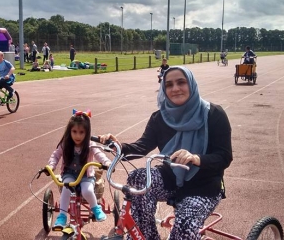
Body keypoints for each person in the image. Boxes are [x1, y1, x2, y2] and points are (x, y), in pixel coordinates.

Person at [98, 66, 232, 240]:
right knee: (138, 178)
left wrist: (196, 158)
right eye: (169, 85)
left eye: (181, 82)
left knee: (184, 226)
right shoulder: (160, 117)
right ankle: (147, 236)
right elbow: (142, 146)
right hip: (171, 179)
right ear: (164, 89)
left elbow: (224, 156)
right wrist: (117, 146)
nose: (175, 88)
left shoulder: (214, 114)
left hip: (204, 185)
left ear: (191, 84)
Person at [46, 110, 111, 228]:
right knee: (66, 189)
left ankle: (96, 208)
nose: (78, 136)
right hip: (69, 174)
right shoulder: (65, 144)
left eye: (82, 132)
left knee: (87, 191)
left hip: (86, 175)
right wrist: (51, 166)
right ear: (69, 131)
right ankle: (62, 215)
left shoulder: (90, 145)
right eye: (74, 132)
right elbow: (55, 155)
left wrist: (106, 162)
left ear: (87, 133)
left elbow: (99, 154)